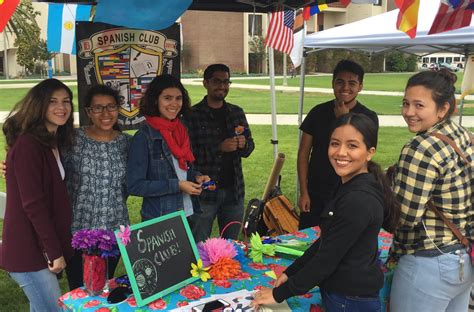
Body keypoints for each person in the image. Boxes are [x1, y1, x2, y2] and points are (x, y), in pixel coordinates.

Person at [253, 113, 400, 312]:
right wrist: (291, 272)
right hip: (342, 291)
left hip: (350, 298)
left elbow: (326, 259)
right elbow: (327, 240)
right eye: (335, 143)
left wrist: (279, 294)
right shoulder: (348, 183)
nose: (340, 152)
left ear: (370, 152)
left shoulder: (358, 200)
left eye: (352, 145)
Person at [389, 70, 473, 311]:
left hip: (427, 262)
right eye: (406, 103)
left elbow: (404, 218)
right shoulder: (463, 135)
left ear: (443, 109)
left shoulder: (420, 148)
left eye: (419, 105)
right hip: (463, 258)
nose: (408, 112)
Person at [1, 79, 75, 311]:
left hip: (40, 248)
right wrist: (54, 251)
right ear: (38, 105)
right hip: (27, 251)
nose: (61, 107)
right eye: (52, 101)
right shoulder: (29, 145)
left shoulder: (52, 141)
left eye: (66, 101)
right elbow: (34, 205)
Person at [63, 84, 131, 290]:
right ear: (88, 112)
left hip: (114, 231)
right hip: (77, 231)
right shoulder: (72, 140)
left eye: (111, 107)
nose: (105, 113)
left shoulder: (128, 144)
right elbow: (46, 169)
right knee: (78, 289)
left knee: (103, 288)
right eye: (98, 108)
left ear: (118, 109)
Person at [298, 59, 379, 229]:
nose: (345, 88)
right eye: (340, 82)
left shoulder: (368, 117)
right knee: (307, 241)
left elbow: (365, 157)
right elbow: (303, 153)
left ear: (360, 86)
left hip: (350, 192)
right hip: (316, 192)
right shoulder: (317, 112)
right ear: (332, 83)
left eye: (352, 83)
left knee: (341, 241)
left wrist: (343, 118)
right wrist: (304, 192)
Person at [184, 64, 255, 242]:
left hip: (234, 190)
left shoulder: (236, 112)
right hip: (205, 193)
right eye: (217, 81)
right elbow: (187, 156)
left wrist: (244, 144)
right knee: (199, 244)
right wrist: (219, 148)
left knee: (231, 246)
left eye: (226, 82)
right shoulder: (192, 115)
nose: (222, 86)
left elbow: (249, 147)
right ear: (205, 83)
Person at [127, 74, 209, 221]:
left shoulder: (181, 129)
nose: (174, 103)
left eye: (178, 98)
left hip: (188, 212)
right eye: (167, 98)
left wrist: (196, 176)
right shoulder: (144, 137)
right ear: (155, 100)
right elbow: (135, 185)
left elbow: (180, 170)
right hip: (161, 219)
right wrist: (177, 186)